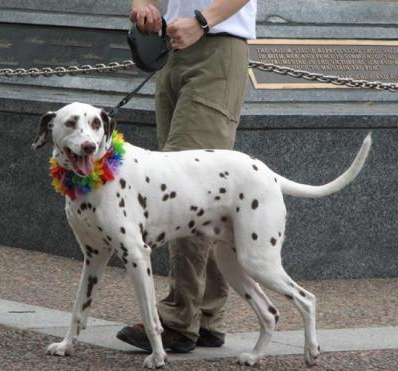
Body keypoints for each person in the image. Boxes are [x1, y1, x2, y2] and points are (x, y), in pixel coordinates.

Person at [117, 0, 257, 353]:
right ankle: (206, 317)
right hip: (171, 44)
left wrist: (202, 22)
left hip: (217, 44)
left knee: (186, 188)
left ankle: (178, 320)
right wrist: (142, 5)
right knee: (195, 187)